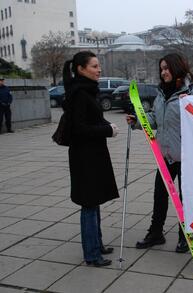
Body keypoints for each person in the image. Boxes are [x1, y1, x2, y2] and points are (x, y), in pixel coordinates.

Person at [127, 53, 193, 253]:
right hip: (167, 155)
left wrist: (192, 105)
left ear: (177, 67)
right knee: (160, 195)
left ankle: (185, 236)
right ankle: (156, 233)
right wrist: (138, 121)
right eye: (161, 69)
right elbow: (155, 118)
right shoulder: (162, 94)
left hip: (188, 157)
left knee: (185, 197)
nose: (163, 72)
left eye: (166, 68)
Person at [62, 51, 120, 266]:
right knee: (88, 204)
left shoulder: (86, 90)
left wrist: (105, 127)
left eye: (99, 66)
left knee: (93, 202)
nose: (99, 70)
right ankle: (92, 254)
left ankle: (97, 244)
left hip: (92, 155)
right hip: (84, 157)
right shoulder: (79, 94)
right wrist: (107, 130)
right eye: (94, 66)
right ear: (81, 69)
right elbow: (80, 128)